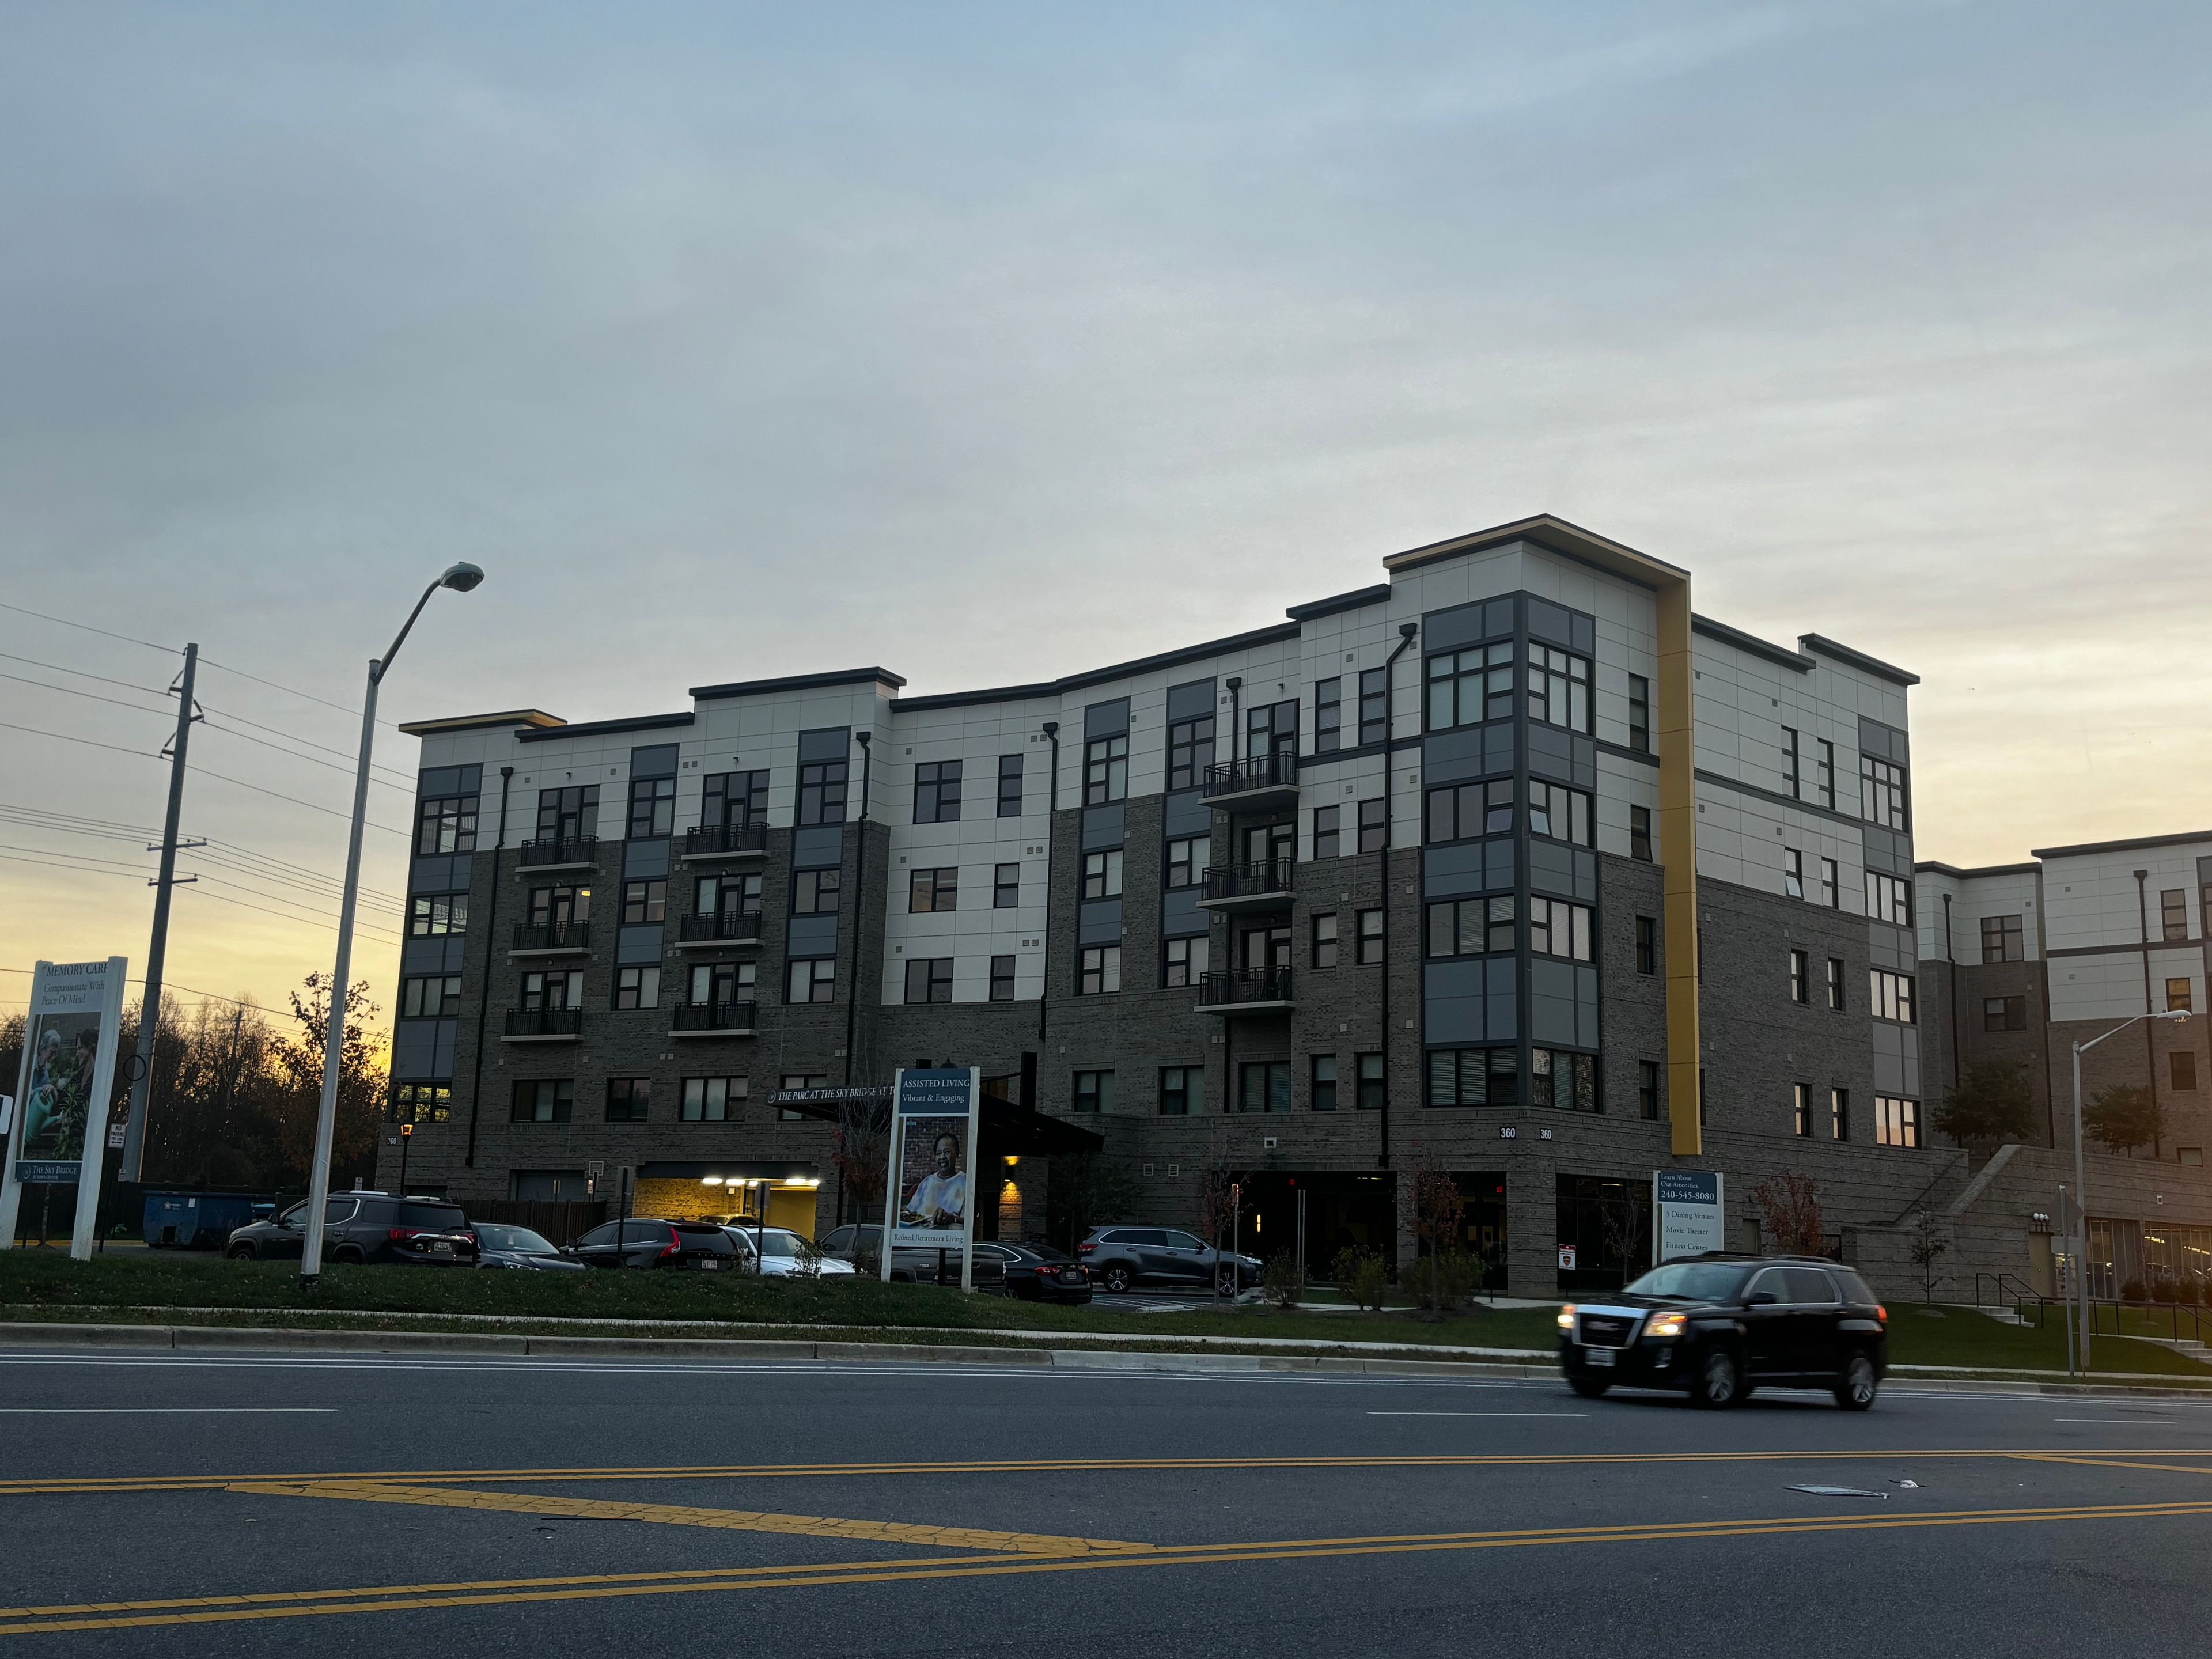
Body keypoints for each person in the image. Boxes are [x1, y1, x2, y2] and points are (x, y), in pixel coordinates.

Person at [900, 1131, 966, 1228]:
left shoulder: (966, 1182)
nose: (942, 1157)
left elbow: (969, 1220)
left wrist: (951, 1218)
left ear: (957, 1154)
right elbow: (911, 1211)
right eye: (939, 1153)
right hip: (917, 1237)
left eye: (947, 1152)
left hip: (945, 1238)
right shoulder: (927, 1182)